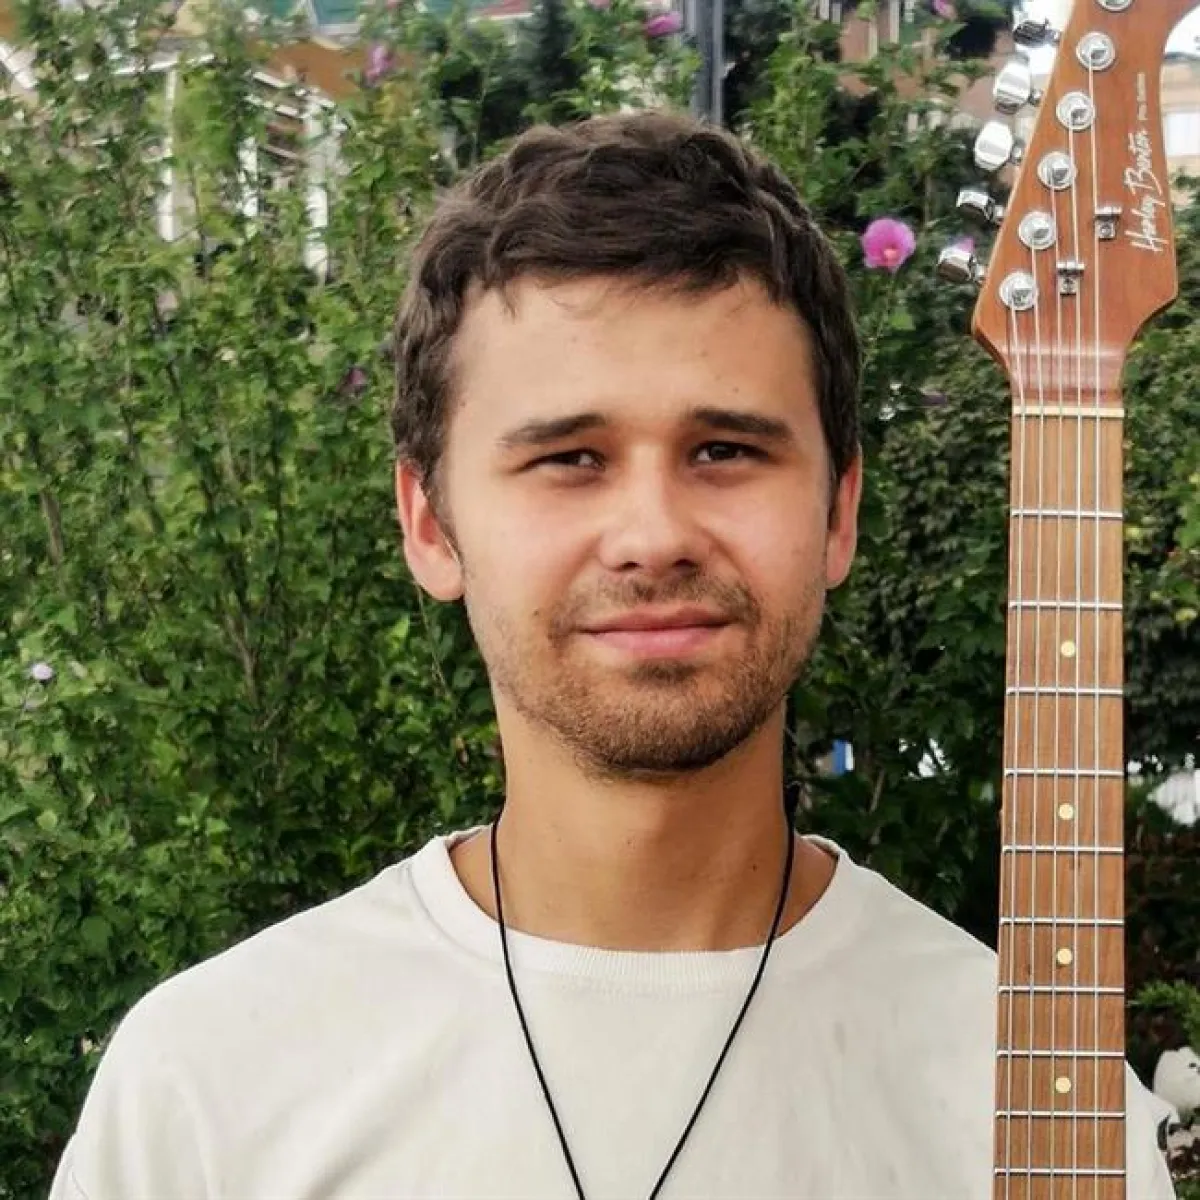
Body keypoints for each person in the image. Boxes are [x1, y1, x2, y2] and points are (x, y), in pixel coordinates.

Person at [50, 108, 1174, 1200]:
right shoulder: (208, 1090)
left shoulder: (1046, 1104)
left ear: (838, 515)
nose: (653, 535)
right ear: (431, 524)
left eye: (724, 450)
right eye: (570, 459)